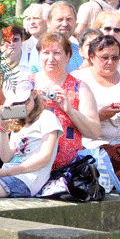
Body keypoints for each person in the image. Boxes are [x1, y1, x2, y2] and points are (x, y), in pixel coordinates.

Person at [0, 83, 62, 199]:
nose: (21, 107)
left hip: (27, 179)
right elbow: (6, 157)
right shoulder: (17, 122)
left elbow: (45, 157)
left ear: (34, 94)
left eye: (24, 102)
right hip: (8, 176)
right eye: (16, 104)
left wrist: (8, 172)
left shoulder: (47, 117)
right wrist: (2, 129)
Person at [31, 33, 100, 169]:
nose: (51, 59)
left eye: (57, 53)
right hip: (30, 165)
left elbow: (94, 132)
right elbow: (10, 123)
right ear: (39, 55)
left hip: (67, 168)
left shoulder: (80, 87)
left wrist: (70, 110)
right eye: (46, 53)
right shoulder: (27, 84)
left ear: (68, 56)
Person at [29, 1, 82, 73]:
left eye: (69, 19)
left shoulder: (80, 52)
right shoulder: (40, 49)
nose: (65, 24)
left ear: (75, 21)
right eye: (59, 20)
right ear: (48, 22)